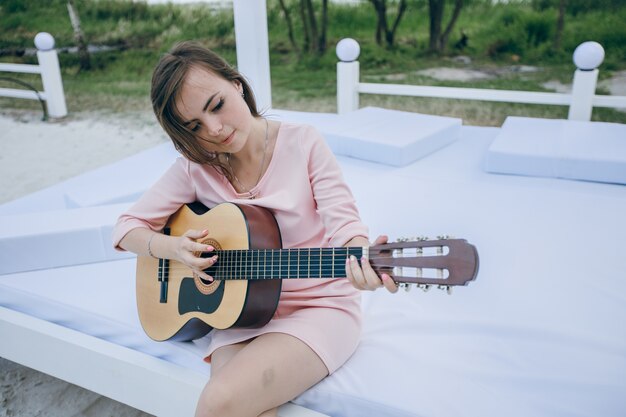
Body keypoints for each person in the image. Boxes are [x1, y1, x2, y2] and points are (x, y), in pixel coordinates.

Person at [112, 41, 398, 417]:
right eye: (194, 126)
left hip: (318, 308)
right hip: (240, 313)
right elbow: (126, 227)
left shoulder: (303, 142)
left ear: (237, 85)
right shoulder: (196, 167)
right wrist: (176, 249)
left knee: (218, 402)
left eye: (216, 105)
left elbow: (344, 221)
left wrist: (362, 258)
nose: (214, 129)